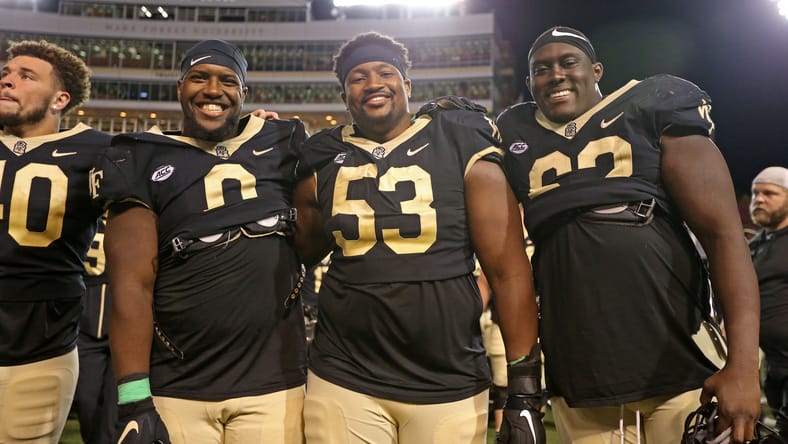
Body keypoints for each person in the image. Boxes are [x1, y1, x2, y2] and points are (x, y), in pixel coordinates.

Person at [496, 26, 762, 443]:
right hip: (580, 370)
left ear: (596, 70)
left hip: (678, 360)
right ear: (529, 83)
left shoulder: (649, 105)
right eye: (541, 69)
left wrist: (743, 366)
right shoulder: (514, 132)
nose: (555, 75)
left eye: (568, 62)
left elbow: (724, 235)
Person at [292, 31, 543, 444]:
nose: (373, 83)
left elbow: (508, 270)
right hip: (344, 372)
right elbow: (299, 250)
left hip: (449, 376)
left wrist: (525, 389)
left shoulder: (460, 138)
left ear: (406, 85)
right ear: (344, 96)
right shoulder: (322, 156)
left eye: (385, 72)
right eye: (358, 77)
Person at [91, 39, 308, 444]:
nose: (212, 90)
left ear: (244, 93)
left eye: (227, 81)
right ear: (180, 87)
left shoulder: (283, 142)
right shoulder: (141, 156)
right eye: (198, 78)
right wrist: (134, 400)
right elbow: (131, 284)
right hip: (179, 386)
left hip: (274, 383)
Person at [0, 40, 109, 444]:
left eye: (26, 76)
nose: (7, 81)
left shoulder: (100, 150)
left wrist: (248, 131)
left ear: (60, 99)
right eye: (6, 73)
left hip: (39, 352)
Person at [749, 166, 788, 439]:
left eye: (769, 193)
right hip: (773, 362)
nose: (759, 199)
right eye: (755, 193)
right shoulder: (755, 244)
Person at [72, 212, 117, 444]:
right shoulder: (84, 215)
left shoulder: (131, 215)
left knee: (114, 410)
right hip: (85, 326)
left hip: (123, 329)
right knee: (86, 401)